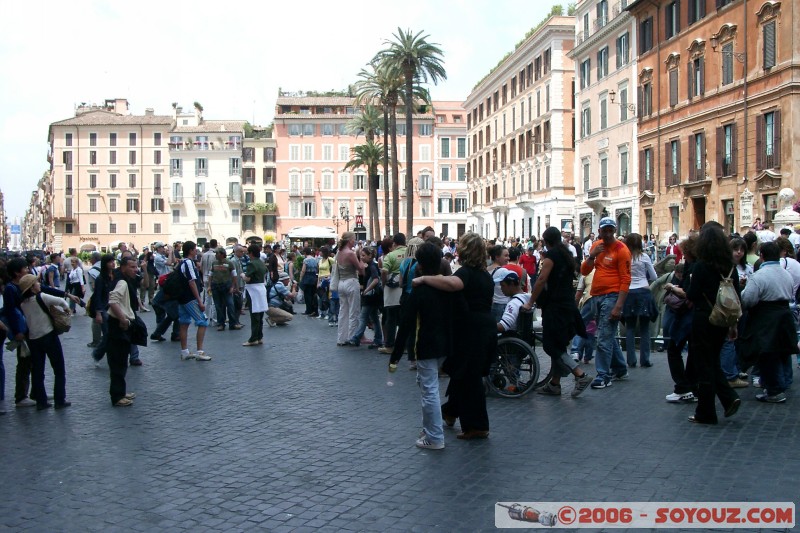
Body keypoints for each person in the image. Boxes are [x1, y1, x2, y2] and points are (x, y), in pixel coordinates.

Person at [414, 232, 496, 440]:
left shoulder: (466, 273)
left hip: (472, 330)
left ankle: (477, 426)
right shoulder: (484, 275)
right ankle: (450, 412)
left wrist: (424, 278)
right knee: (463, 372)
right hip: (485, 327)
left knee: (469, 377)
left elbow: (453, 284)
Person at [389, 242, 454, 450]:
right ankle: (429, 428)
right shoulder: (450, 288)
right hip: (447, 343)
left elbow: (406, 325)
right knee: (427, 385)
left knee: (430, 390)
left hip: (426, 345)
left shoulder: (419, 291)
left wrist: (395, 357)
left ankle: (435, 436)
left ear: (420, 266)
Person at [525, 227, 593, 397]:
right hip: (567, 305)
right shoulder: (566, 255)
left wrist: (531, 301)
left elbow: (541, 280)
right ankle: (555, 384)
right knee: (560, 345)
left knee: (550, 345)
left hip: (555, 307)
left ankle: (580, 375)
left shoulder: (551, 257)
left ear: (546, 241)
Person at [685, 222, 741, 424]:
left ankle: (707, 411)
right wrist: (733, 325)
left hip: (703, 318)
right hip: (723, 320)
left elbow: (692, 294)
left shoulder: (700, 266)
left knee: (704, 365)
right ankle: (727, 399)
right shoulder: (730, 267)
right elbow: (736, 296)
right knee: (713, 361)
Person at [739, 242, 799, 403]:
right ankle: (784, 382)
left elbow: (748, 299)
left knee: (767, 353)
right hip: (784, 314)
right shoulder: (786, 274)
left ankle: (774, 389)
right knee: (783, 351)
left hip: (766, 317)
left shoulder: (760, 275)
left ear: (762, 256)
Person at [580, 217, 631, 389]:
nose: (608, 233)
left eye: (611, 230)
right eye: (605, 230)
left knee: (603, 336)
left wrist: (619, 305)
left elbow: (626, 279)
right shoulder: (596, 247)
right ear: (600, 231)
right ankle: (620, 368)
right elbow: (584, 271)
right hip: (596, 296)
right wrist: (591, 256)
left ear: (614, 231)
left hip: (612, 296)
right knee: (607, 334)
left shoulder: (622, 250)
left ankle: (603, 374)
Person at [17, 274, 71, 410]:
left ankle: (41, 401)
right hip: (49, 336)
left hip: (33, 339)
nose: (39, 284)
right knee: (58, 369)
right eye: (37, 283)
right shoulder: (41, 297)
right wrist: (67, 309)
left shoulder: (23, 304)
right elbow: (61, 301)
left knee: (38, 371)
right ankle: (60, 400)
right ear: (32, 287)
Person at [105, 257, 141, 407]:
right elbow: (112, 300)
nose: (135, 270)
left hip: (119, 325)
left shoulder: (123, 279)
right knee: (118, 362)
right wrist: (122, 319)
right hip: (118, 326)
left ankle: (121, 392)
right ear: (124, 267)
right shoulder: (122, 282)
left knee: (121, 361)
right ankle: (117, 396)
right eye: (132, 267)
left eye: (136, 267)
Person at [622, 233, 658, 368]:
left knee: (630, 327)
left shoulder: (625, 257)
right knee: (645, 328)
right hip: (643, 291)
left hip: (628, 292)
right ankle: (645, 359)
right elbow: (654, 276)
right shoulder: (645, 257)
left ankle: (631, 360)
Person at [177, 241, 211, 361]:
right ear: (191, 250)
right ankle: (200, 351)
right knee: (202, 321)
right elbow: (192, 282)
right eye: (195, 249)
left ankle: (184, 351)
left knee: (184, 323)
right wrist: (199, 300)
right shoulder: (189, 263)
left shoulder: (181, 263)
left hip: (182, 298)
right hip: (190, 298)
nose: (196, 251)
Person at [349, 247, 383, 348]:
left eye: (363, 255)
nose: (361, 257)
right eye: (360, 255)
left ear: (370, 256)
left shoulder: (372, 266)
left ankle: (356, 338)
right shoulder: (371, 266)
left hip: (370, 296)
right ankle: (378, 339)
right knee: (374, 318)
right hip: (374, 296)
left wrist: (366, 290)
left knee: (363, 317)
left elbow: (376, 280)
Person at [335, 232, 365, 347]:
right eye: (353, 239)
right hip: (351, 282)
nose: (355, 241)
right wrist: (361, 258)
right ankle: (352, 337)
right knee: (354, 311)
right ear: (349, 241)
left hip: (341, 283)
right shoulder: (350, 254)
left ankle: (341, 338)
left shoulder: (339, 252)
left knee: (343, 311)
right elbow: (360, 269)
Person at [379, 233, 407, 355]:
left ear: (394, 243)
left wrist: (384, 283)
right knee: (404, 319)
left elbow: (384, 272)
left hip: (392, 291)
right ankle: (405, 346)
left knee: (391, 318)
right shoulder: (410, 254)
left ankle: (390, 346)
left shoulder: (390, 255)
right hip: (406, 289)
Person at [209, 247, 242, 332]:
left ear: (222, 254)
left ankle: (232, 323)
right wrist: (209, 285)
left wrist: (233, 287)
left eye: (217, 253)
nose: (216, 255)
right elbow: (210, 275)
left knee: (230, 304)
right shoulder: (214, 263)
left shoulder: (229, 263)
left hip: (226, 286)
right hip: (216, 286)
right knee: (218, 306)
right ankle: (221, 324)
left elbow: (234, 275)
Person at [242, 243, 268, 346]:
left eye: (248, 253)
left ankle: (253, 338)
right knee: (260, 313)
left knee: (254, 315)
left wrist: (242, 275)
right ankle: (259, 336)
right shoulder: (261, 263)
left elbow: (248, 278)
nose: (248, 255)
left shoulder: (251, 263)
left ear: (251, 253)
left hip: (253, 290)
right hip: (261, 288)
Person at [487, 245, 511, 322]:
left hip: (491, 305)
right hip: (502, 305)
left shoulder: (486, 269)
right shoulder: (503, 271)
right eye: (506, 256)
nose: (508, 258)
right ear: (497, 257)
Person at [86, 252, 102, 348]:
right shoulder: (105, 267)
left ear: (94, 259)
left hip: (98, 297)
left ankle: (96, 340)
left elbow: (93, 286)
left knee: (96, 320)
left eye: (91, 258)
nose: (90, 260)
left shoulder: (93, 271)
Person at [299, 247, 319, 317]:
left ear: (305, 253)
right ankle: (314, 309)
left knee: (307, 295)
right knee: (313, 294)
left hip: (307, 278)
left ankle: (308, 309)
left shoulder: (306, 260)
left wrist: (301, 278)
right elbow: (317, 268)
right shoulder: (315, 259)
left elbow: (303, 270)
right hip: (313, 277)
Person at [316, 246, 334, 320]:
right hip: (320, 279)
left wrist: (330, 276)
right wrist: (318, 282)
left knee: (327, 297)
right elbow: (319, 272)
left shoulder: (330, 260)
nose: (319, 253)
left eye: (321, 251)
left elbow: (334, 269)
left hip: (328, 280)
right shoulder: (320, 260)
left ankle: (327, 312)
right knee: (320, 297)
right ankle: (321, 312)